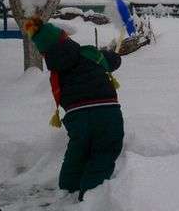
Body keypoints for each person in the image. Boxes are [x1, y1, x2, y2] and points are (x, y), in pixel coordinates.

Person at [23, 17, 124, 201]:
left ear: (45, 53)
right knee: (104, 150)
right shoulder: (90, 53)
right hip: (106, 112)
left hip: (76, 117)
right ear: (64, 38)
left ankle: (67, 188)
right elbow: (113, 62)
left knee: (77, 151)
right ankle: (90, 195)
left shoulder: (56, 71)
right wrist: (114, 56)